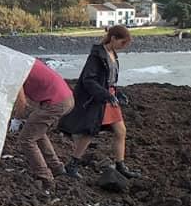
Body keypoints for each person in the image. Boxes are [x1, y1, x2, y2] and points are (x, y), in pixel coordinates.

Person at [58, 25, 139, 178]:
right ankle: (72, 164)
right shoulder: (97, 55)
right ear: (113, 38)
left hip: (109, 98)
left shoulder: (112, 54)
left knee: (121, 132)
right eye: (123, 43)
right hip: (98, 99)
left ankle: (120, 166)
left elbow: (110, 81)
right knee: (89, 132)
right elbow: (88, 80)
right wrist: (106, 95)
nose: (124, 47)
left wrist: (117, 94)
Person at [12, 59, 75, 185]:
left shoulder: (15, 70)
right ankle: (57, 168)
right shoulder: (27, 62)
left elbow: (22, 102)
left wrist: (17, 119)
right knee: (38, 132)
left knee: (26, 139)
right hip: (66, 98)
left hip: (55, 103)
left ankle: (44, 176)